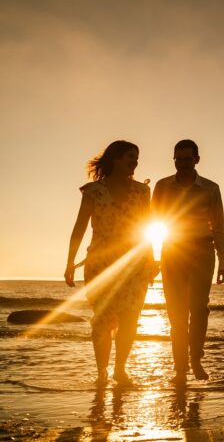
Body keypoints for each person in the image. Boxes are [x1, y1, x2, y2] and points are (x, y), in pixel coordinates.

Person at [65, 140, 155, 386]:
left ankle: (120, 370)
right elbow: (79, 228)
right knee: (103, 318)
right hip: (100, 262)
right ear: (115, 158)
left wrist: (151, 261)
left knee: (130, 317)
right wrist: (70, 263)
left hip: (135, 263)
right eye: (130, 156)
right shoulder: (94, 191)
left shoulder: (142, 191)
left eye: (137, 158)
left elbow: (146, 229)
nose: (135, 162)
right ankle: (102, 372)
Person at [152, 139, 224, 384]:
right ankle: (180, 369)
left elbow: (219, 225)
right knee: (176, 313)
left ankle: (196, 359)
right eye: (178, 159)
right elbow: (151, 221)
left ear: (196, 159)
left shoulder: (210, 188)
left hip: (202, 252)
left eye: (187, 159)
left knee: (198, 309)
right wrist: (150, 257)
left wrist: (223, 259)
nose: (182, 164)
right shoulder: (163, 186)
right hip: (173, 251)